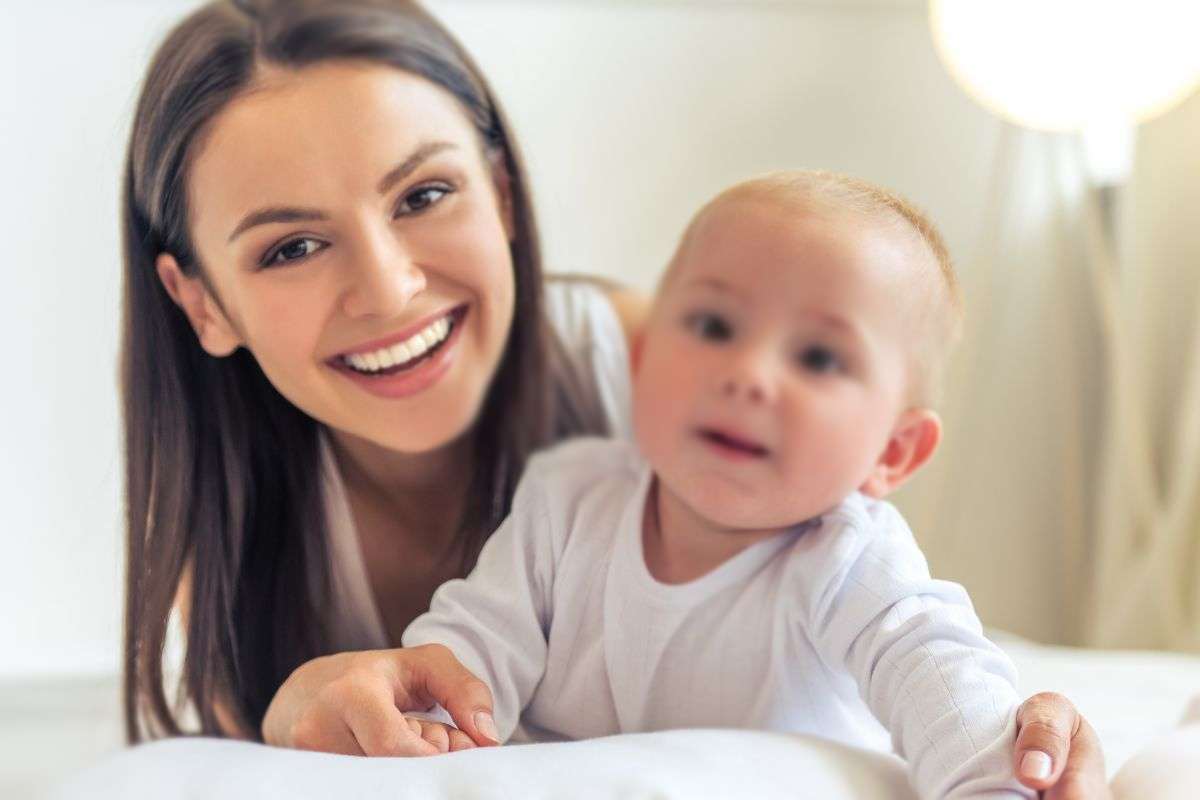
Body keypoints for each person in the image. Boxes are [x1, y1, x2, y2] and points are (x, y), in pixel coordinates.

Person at [120, 1, 1108, 796]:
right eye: (291, 245)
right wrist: (335, 704)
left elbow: (912, 636)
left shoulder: (673, 382)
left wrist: (996, 750)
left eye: (423, 194)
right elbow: (466, 655)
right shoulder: (552, 499)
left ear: (502, 193)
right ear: (201, 300)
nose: (387, 290)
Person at [389, 172, 1034, 798]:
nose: (748, 374)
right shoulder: (567, 497)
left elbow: (941, 678)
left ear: (892, 451)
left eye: (817, 357)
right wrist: (425, 726)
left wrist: (995, 779)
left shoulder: (853, 561)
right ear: (641, 362)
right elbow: (474, 644)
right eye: (714, 327)